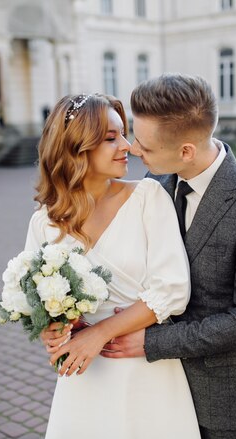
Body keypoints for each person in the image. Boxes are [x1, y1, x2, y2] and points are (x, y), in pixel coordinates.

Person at [45, 74, 236, 438]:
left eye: (143, 144)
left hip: (218, 395)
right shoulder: (154, 185)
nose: (133, 150)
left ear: (185, 150)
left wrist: (149, 342)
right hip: (144, 389)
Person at [26, 93, 200, 438]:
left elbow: (173, 289)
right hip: (83, 373)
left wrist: (100, 333)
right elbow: (35, 296)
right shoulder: (43, 222)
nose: (127, 146)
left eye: (123, 134)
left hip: (145, 367)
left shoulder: (147, 197)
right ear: (76, 146)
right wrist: (49, 327)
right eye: (110, 138)